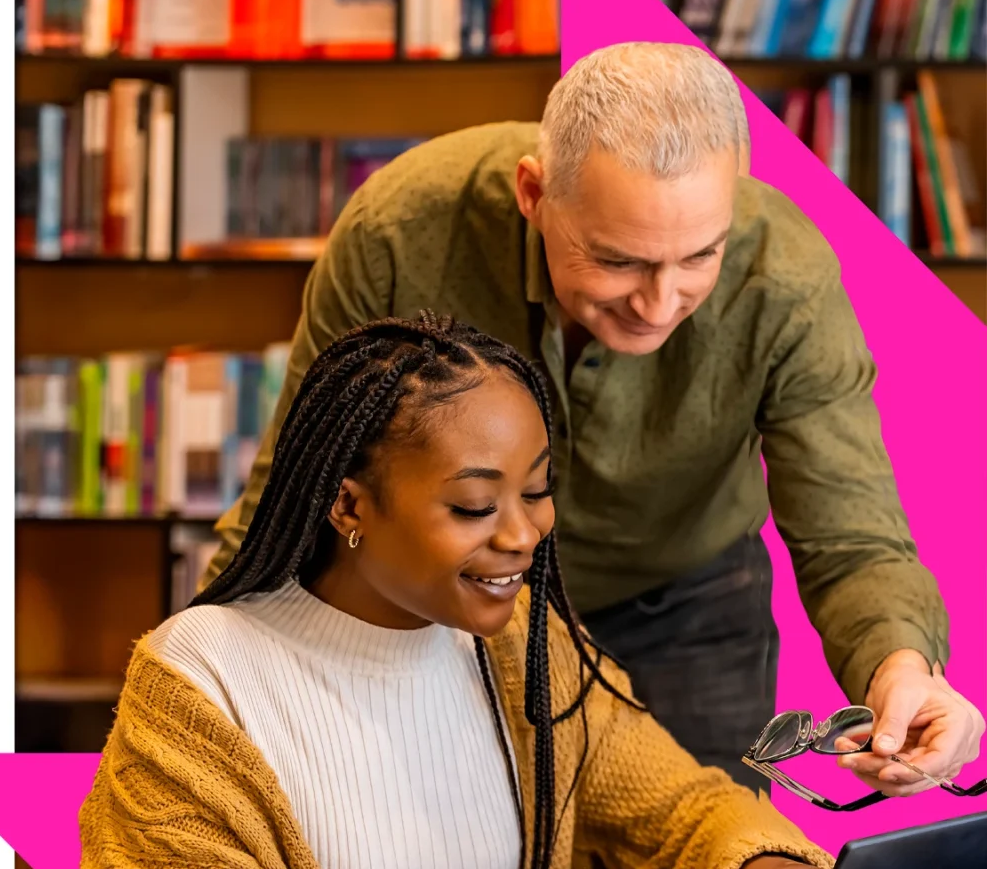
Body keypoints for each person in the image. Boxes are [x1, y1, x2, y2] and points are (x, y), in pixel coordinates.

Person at [67, 315, 834, 869]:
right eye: (473, 505)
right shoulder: (200, 677)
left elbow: (680, 808)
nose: (521, 533)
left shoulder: (520, 649)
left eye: (537, 490)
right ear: (350, 504)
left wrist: (756, 867)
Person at [201, 43, 983, 795]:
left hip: (687, 603)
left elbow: (850, 536)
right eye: (617, 260)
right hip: (443, 605)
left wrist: (903, 670)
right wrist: (196, 674)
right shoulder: (400, 234)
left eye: (700, 257)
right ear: (534, 193)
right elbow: (295, 487)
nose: (658, 303)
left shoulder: (786, 278)